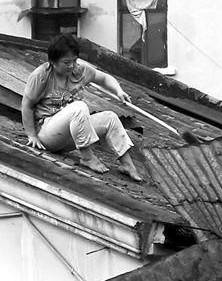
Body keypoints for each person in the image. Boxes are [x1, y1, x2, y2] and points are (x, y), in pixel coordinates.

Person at [22, 34, 143, 182]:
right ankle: (87, 157)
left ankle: (127, 165)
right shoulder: (41, 76)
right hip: (47, 133)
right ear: (53, 62)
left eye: (74, 60)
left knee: (110, 118)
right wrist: (32, 136)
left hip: (70, 135)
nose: (71, 66)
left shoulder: (79, 71)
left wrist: (119, 91)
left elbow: (105, 78)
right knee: (79, 107)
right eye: (66, 62)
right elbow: (26, 105)